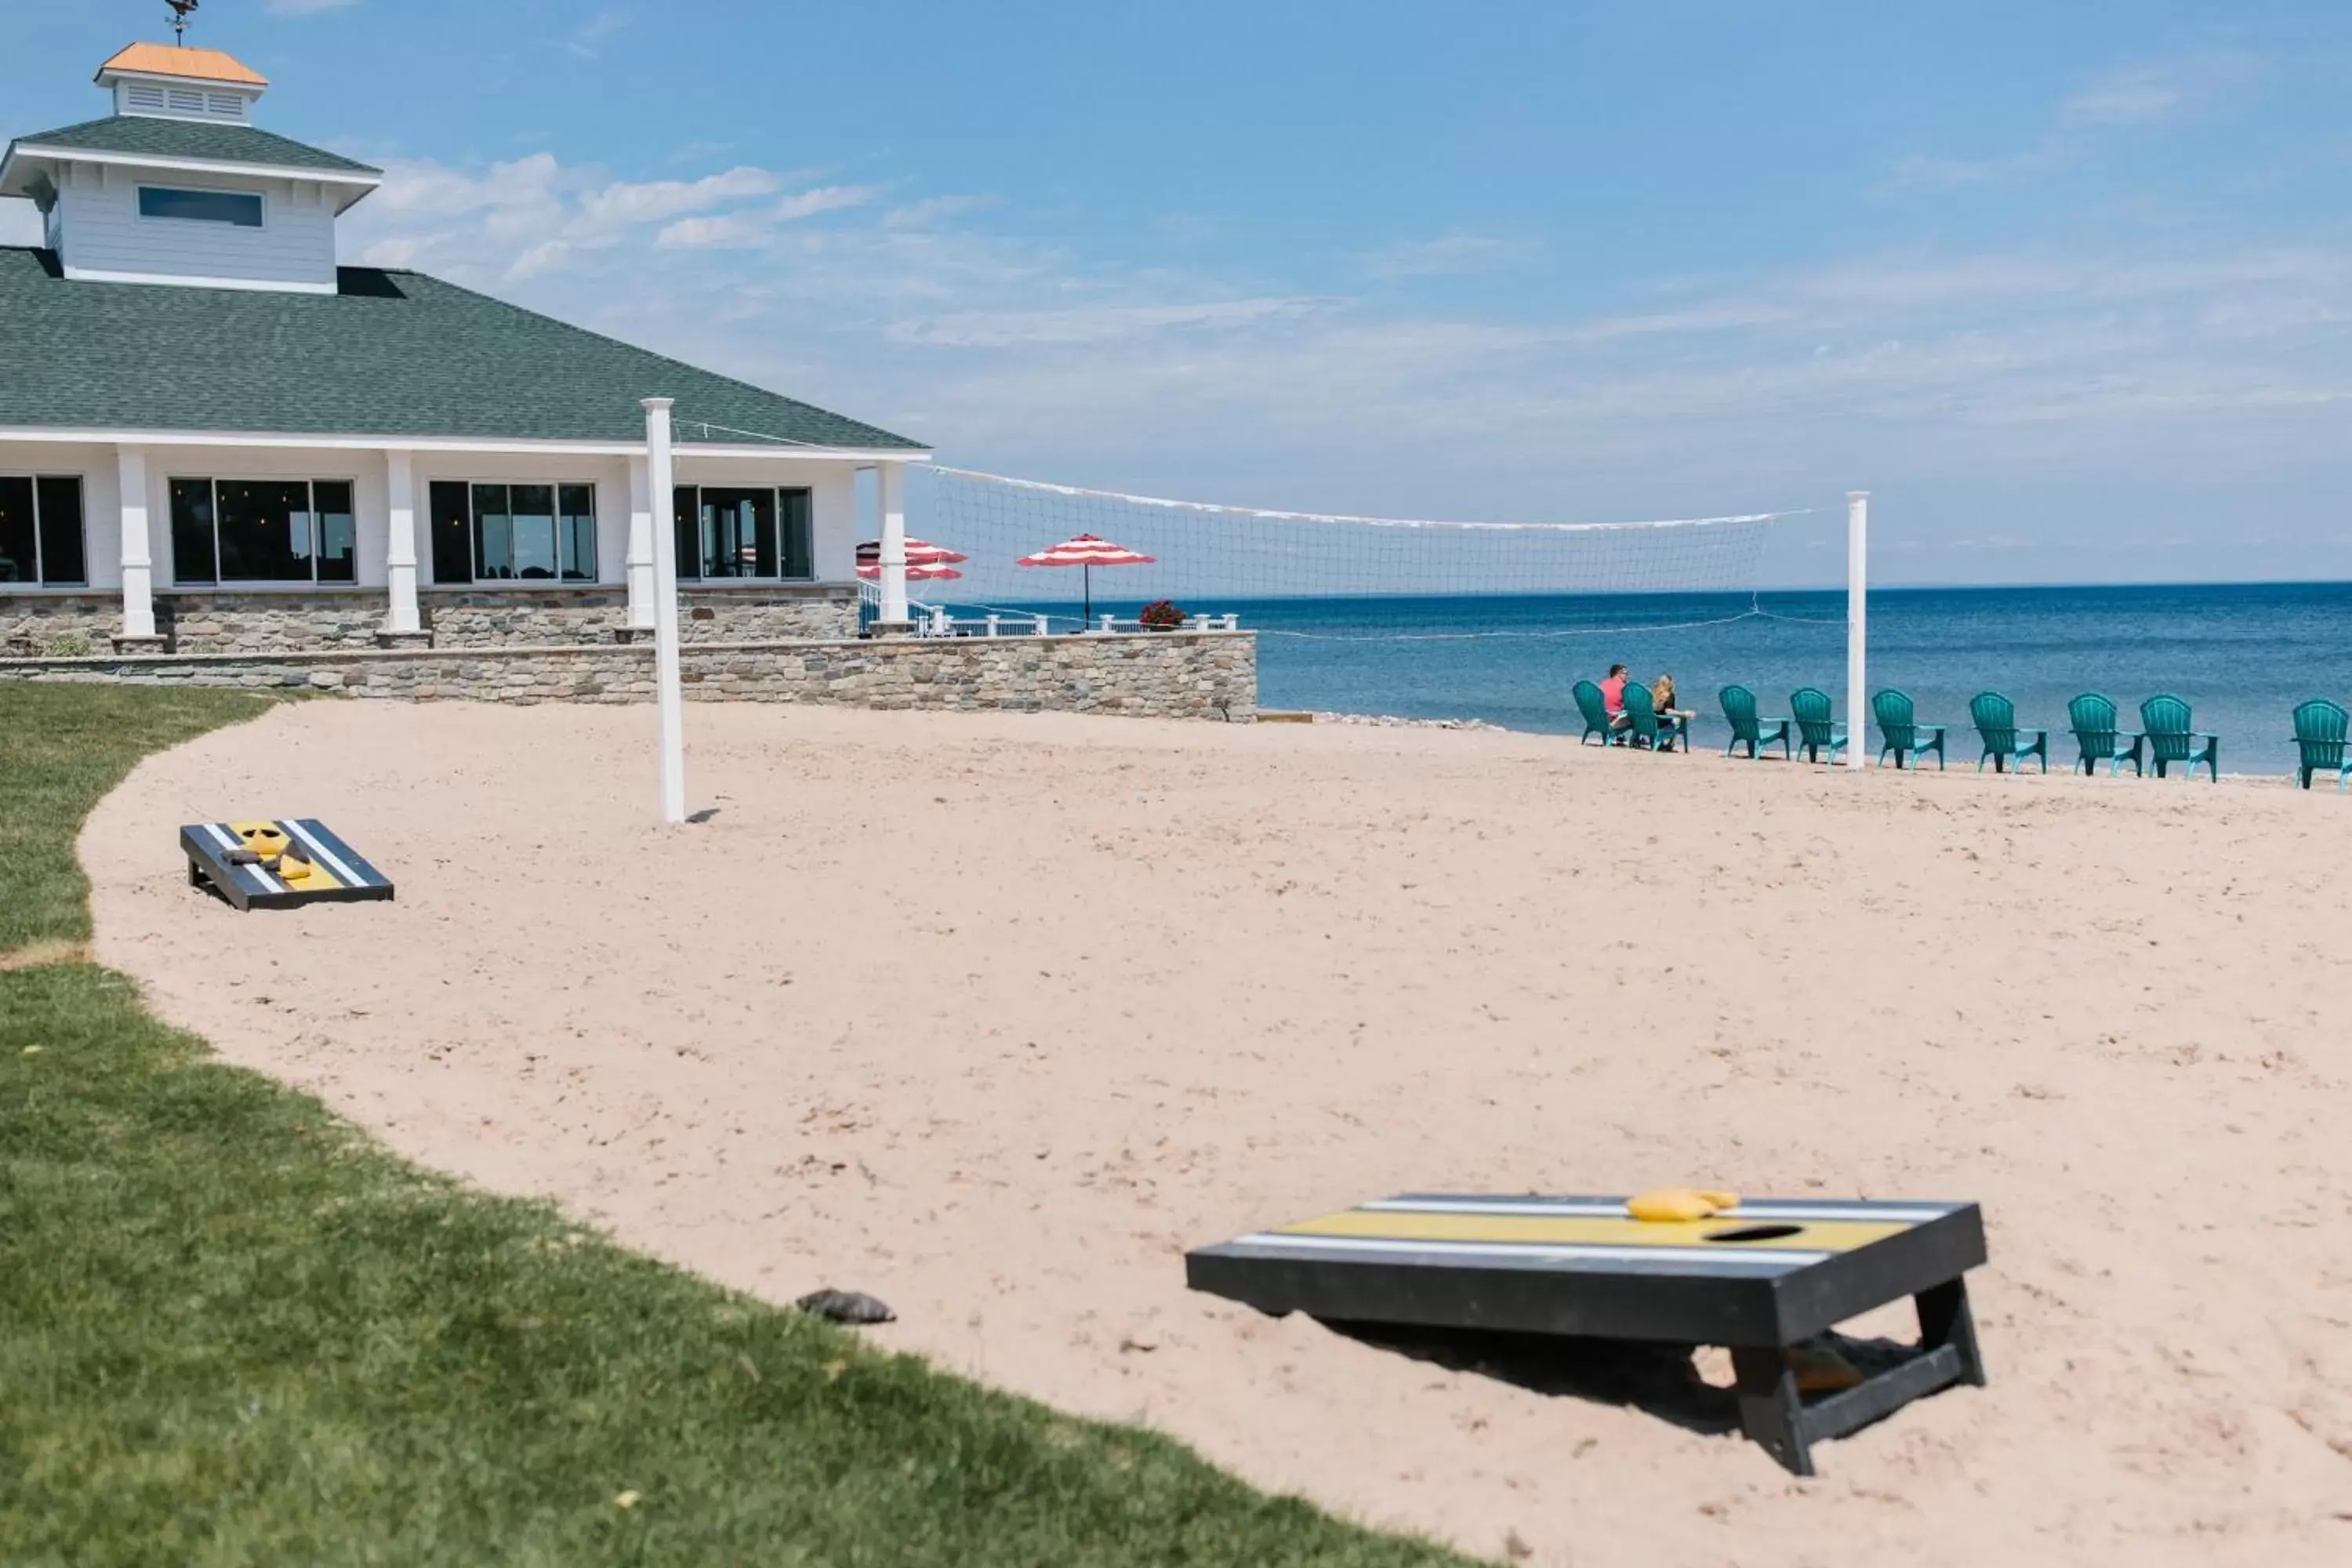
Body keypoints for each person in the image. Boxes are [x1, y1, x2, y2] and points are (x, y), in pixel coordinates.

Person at [1599, 663, 1632, 731]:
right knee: (1635, 716)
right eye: (1625, 673)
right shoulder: (1623, 688)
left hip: (1600, 719)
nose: (1627, 676)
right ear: (1618, 674)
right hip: (1612, 720)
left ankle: (1621, 737)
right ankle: (1636, 739)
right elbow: (1631, 705)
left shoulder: (1604, 683)